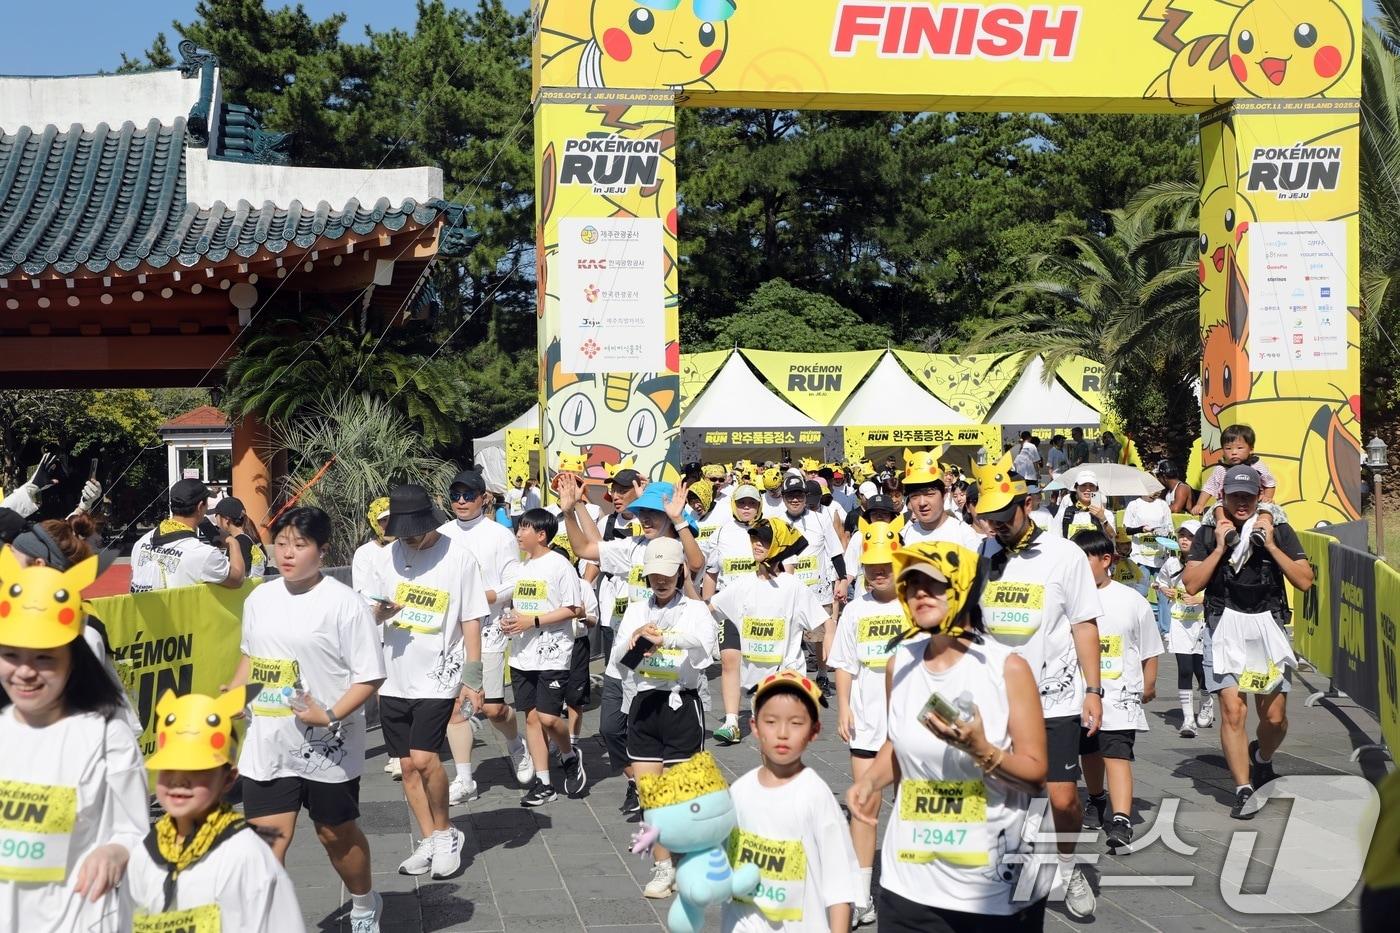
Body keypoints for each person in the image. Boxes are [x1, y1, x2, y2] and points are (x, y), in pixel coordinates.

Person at [846, 538, 1049, 932]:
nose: (919, 592)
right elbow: (897, 742)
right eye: (912, 584)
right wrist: (869, 782)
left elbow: (1036, 772)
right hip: (909, 882)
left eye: (933, 583)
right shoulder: (899, 663)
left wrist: (982, 750)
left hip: (990, 890)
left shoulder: (1007, 668)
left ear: (962, 586)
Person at [225, 507, 385, 929]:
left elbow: (370, 676)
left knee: (335, 835)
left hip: (328, 746)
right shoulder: (260, 597)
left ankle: (365, 903)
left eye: (300, 544)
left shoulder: (345, 604)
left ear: (322, 549)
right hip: (268, 741)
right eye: (281, 543)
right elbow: (251, 655)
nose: (287, 553)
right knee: (265, 849)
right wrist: (238, 691)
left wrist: (327, 713)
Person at [974, 450, 1103, 919]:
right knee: (1010, 796)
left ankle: (1068, 870)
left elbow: (1084, 624)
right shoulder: (984, 555)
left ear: (1025, 504)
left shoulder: (1064, 554)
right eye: (987, 518)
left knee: (1065, 798)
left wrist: (1094, 690)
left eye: (1002, 516)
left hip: (1058, 694)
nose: (996, 526)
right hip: (1001, 699)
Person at [0, 546, 148, 933]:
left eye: (45, 658)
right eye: (11, 655)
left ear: (73, 658)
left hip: (80, 919)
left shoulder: (105, 735)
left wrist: (117, 851)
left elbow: (136, 831)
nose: (25, 672)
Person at [368, 484, 487, 878]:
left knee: (424, 758)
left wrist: (473, 678)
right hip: (395, 672)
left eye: (414, 531)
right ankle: (430, 837)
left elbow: (472, 618)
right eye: (402, 532)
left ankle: (449, 833)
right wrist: (381, 612)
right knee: (405, 764)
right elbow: (370, 611)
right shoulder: (386, 558)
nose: (409, 538)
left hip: (441, 671)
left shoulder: (458, 557)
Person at [1182, 465, 1313, 820]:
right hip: (1222, 621)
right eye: (1235, 495)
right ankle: (1242, 788)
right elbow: (1191, 584)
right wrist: (1220, 549)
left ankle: (1262, 758)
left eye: (1248, 496)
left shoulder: (1276, 527)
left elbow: (1304, 580)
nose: (1241, 502)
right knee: (1233, 709)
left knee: (1274, 717)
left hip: (1267, 622)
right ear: (1223, 496)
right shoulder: (1210, 530)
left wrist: (1270, 543)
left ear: (1259, 497)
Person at [128, 689, 307, 933]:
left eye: (197, 771)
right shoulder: (144, 853)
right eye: (169, 768)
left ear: (228, 778)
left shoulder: (248, 856)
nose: (179, 781)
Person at [610, 536, 719, 899]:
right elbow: (619, 663)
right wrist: (637, 641)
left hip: (682, 707)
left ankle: (690, 858)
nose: (660, 581)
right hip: (644, 706)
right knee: (651, 797)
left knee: (679, 797)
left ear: (679, 572)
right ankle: (663, 867)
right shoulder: (637, 610)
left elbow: (705, 648)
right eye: (653, 574)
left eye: (666, 574)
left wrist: (666, 640)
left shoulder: (695, 609)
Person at [723, 671, 860, 933]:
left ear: (814, 731)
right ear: (754, 726)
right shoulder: (739, 792)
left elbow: (840, 881)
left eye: (796, 723)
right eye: (771, 721)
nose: (782, 733)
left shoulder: (815, 795)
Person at [437, 468, 534, 800]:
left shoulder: (499, 535)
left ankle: (515, 743)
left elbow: (514, 582)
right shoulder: (441, 534)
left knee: (491, 708)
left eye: (468, 495)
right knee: (457, 707)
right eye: (456, 495)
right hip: (452, 635)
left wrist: (483, 597)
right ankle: (465, 778)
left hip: (489, 629)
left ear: (483, 498)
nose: (461, 501)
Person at [828, 522, 907, 926]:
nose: (879, 572)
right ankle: (862, 895)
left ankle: (915, 888)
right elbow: (845, 664)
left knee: (912, 807)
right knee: (864, 806)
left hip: (911, 727)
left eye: (886, 565)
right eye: (871, 565)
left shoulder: (915, 603)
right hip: (867, 723)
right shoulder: (856, 610)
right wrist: (844, 707)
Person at [1072, 530, 1162, 852]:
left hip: (1120, 696)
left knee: (1117, 754)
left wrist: (1149, 683)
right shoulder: (1068, 600)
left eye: (1084, 560)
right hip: (1080, 696)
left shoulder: (1131, 601)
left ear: (1106, 560)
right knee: (1091, 753)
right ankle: (1096, 800)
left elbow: (1150, 648)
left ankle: (1121, 819)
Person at [504, 508, 586, 806]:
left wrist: (534, 621)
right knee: (533, 719)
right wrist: (510, 621)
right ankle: (544, 783)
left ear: (541, 534)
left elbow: (574, 608)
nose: (518, 533)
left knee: (550, 718)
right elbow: (517, 608)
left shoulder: (560, 565)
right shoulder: (520, 569)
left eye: (524, 528)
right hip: (522, 655)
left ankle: (568, 754)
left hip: (553, 654)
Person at [711, 518, 828, 701]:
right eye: (754, 539)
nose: (757, 544)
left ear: (778, 546)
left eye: (765, 540)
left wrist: (830, 649)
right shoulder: (742, 584)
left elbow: (825, 622)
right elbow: (709, 608)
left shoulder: (793, 586)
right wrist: (685, 583)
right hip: (754, 687)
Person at [703, 483, 763, 746]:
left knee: (761, 665)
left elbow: (785, 569)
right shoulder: (723, 532)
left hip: (763, 609)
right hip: (729, 610)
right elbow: (711, 573)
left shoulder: (771, 529)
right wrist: (707, 605)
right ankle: (731, 722)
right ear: (734, 505)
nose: (746, 508)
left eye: (751, 503)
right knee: (730, 661)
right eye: (742, 503)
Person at [777, 475, 847, 694]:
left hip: (818, 590)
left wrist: (843, 580)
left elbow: (835, 552)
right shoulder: (776, 521)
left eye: (799, 495)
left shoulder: (820, 519)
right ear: (784, 498)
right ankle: (792, 678)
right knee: (789, 638)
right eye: (790, 496)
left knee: (819, 638)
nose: (795, 500)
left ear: (805, 497)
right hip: (788, 591)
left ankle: (823, 675)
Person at [130, 478, 246, 592]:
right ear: (200, 506)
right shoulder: (204, 554)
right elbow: (238, 579)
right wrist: (232, 542)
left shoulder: (142, 542)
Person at [1154, 521, 1212, 737]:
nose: (1185, 540)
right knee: (1185, 669)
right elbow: (1159, 582)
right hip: (1179, 624)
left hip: (1202, 624)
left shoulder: (1208, 563)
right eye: (1182, 536)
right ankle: (1188, 719)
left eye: (1190, 536)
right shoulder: (1170, 563)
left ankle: (1206, 702)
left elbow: (1219, 592)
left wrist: (1200, 597)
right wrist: (1165, 590)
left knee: (1201, 670)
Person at [899, 452, 983, 551]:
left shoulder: (964, 535)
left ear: (944, 494)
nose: (922, 503)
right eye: (915, 496)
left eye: (929, 494)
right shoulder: (906, 535)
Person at [1191, 425, 1279, 517]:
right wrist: (1200, 504)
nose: (1234, 452)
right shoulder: (1221, 469)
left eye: (1239, 448)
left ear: (1251, 449)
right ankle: (1225, 527)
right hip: (1227, 506)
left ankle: (1262, 528)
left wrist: (1267, 497)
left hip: (1253, 505)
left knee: (1269, 509)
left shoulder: (1256, 465)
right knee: (1218, 508)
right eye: (1228, 448)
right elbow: (1209, 487)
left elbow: (1269, 483)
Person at [1121, 489, 1173, 598]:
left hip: (1160, 556)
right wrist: (1141, 529)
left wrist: (1161, 532)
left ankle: (1163, 615)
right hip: (1140, 557)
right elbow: (1126, 530)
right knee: (1141, 592)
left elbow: (1170, 528)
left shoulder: (1163, 505)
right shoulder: (1134, 505)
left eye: (1157, 488)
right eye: (1151, 488)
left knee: (1163, 594)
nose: (1155, 491)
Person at [210, 496, 268, 579]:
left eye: (216, 515)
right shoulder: (246, 538)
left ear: (226, 520)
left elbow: (238, 576)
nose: (216, 522)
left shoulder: (241, 542)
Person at [1051, 471, 1115, 540]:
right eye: (1083, 485)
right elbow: (1055, 540)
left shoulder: (1106, 513)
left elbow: (1112, 537)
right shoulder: (1063, 514)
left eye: (1091, 485)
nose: (1088, 489)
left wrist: (1103, 519)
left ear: (1096, 489)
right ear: (1076, 488)